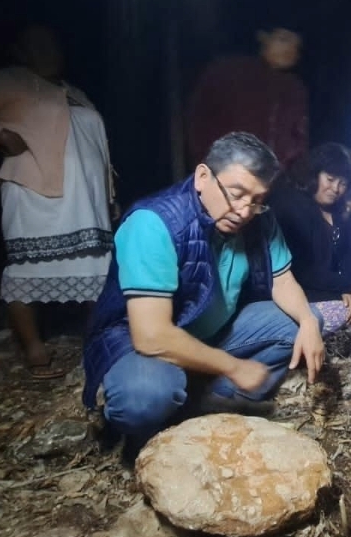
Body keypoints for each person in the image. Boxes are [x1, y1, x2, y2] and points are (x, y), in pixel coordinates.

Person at [83, 132, 326, 460]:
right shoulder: (154, 223)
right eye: (237, 194)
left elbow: (283, 282)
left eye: (257, 200)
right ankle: (135, 428)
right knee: (145, 397)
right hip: (139, 344)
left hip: (210, 331)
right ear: (202, 177)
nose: (244, 211)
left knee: (303, 320)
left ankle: (214, 401)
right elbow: (151, 336)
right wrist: (234, 366)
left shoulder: (259, 220)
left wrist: (309, 322)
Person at [0, 25, 115, 380]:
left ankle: (96, 345)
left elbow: (98, 149)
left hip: (88, 199)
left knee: (97, 270)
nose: (49, 51)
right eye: (37, 45)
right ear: (19, 52)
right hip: (36, 193)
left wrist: (110, 195)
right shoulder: (8, 81)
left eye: (52, 44)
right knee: (27, 271)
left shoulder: (72, 91)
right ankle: (35, 351)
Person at [270, 143, 351, 336]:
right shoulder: (293, 206)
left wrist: (350, 286)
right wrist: (345, 287)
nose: (335, 188)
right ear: (315, 174)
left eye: (342, 183)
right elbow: (301, 271)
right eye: (330, 179)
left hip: (327, 282)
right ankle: (312, 335)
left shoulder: (340, 208)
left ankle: (341, 328)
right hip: (298, 288)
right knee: (340, 309)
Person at [185, 26, 308, 170]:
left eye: (296, 46)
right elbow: (199, 119)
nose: (290, 49)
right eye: (284, 40)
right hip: (227, 172)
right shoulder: (226, 72)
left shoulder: (295, 89)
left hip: (275, 180)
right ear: (263, 38)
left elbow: (299, 138)